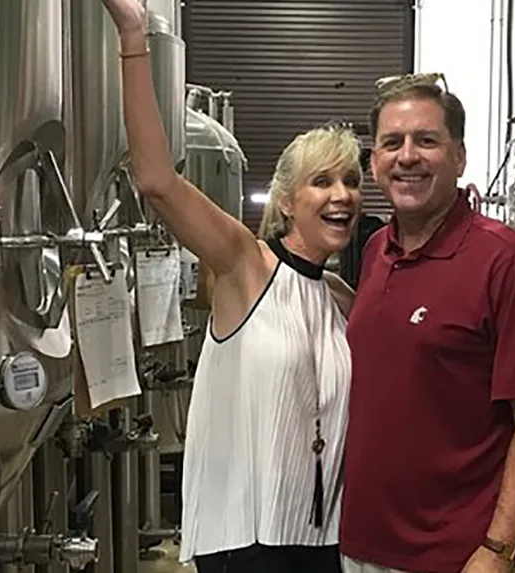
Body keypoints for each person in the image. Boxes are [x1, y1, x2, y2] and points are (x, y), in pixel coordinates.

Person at [101, 2, 359, 571]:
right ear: (287, 201)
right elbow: (157, 180)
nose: (342, 194)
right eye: (323, 181)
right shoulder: (247, 265)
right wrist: (134, 36)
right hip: (246, 538)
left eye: (350, 180)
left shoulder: (341, 299)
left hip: (322, 538)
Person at [341, 75, 515, 573]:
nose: (407, 157)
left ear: (459, 157)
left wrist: (498, 549)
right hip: (361, 545)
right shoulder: (377, 250)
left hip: (456, 555)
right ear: (374, 160)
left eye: (427, 141)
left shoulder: (507, 262)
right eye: (391, 143)